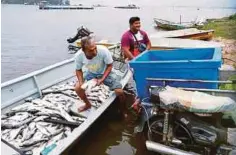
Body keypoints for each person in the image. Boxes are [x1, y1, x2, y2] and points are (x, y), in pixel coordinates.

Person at [74, 36, 126, 115]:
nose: (95, 52)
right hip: (91, 73)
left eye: (95, 48)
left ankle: (123, 110)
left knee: (119, 92)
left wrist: (102, 79)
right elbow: (78, 70)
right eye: (91, 50)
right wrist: (81, 82)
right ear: (83, 50)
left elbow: (109, 65)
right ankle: (88, 104)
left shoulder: (103, 51)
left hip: (104, 72)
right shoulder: (79, 56)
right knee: (78, 88)